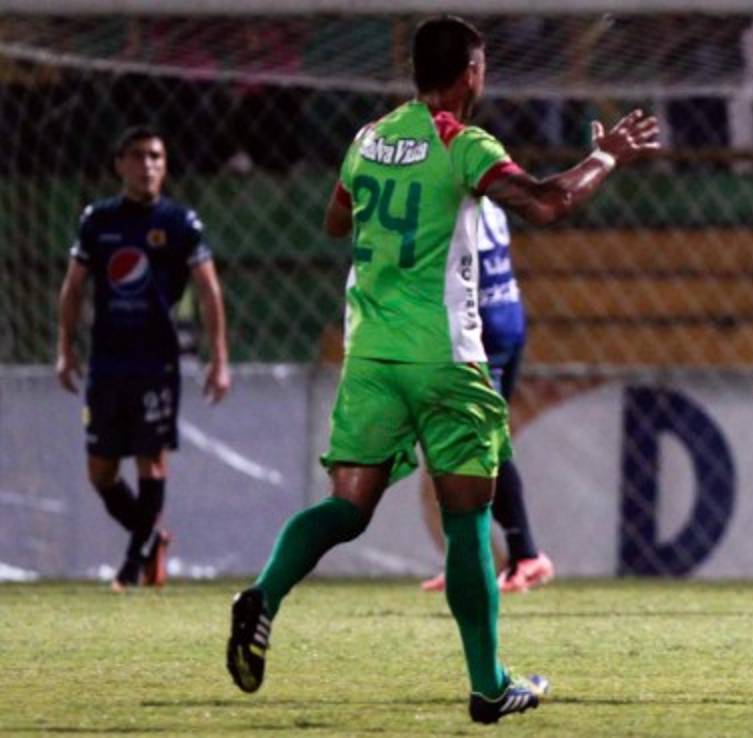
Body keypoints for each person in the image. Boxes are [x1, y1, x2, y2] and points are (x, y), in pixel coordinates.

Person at [224, 15, 658, 724]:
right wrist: (606, 157)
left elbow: (337, 223)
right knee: (467, 520)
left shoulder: (368, 138)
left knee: (347, 507)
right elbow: (550, 200)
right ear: (470, 73)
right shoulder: (462, 141)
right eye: (483, 69)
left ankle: (263, 595)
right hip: (446, 358)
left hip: (368, 353)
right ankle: (489, 687)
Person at [56, 125, 230, 592]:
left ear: (165, 164)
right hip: (107, 361)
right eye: (137, 155)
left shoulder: (180, 223)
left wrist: (219, 358)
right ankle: (152, 536)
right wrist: (64, 348)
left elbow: (209, 290)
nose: (147, 164)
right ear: (119, 164)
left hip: (157, 361)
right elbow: (73, 288)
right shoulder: (98, 220)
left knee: (150, 459)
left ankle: (132, 565)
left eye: (155, 155)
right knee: (101, 472)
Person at [418, 197, 554, 595]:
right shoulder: (485, 195)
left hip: (479, 332)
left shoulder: (442, 199)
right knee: (473, 445)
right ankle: (485, 557)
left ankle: (522, 555)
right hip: (507, 318)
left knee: (474, 448)